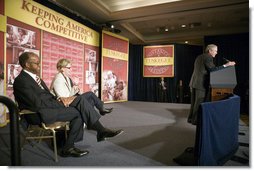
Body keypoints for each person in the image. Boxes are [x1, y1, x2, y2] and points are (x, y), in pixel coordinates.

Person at [13, 52, 123, 158]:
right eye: (36, 63)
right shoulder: (21, 81)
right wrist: (58, 102)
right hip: (37, 113)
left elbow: (46, 96)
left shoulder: (36, 78)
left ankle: (74, 145)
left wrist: (59, 100)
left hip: (49, 106)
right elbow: (36, 104)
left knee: (80, 103)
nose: (39, 65)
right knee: (80, 106)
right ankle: (96, 132)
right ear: (27, 65)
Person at [187, 44, 236, 125]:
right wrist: (227, 65)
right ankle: (195, 121)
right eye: (215, 51)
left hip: (194, 82)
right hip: (200, 84)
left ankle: (190, 119)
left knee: (194, 103)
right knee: (199, 102)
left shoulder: (200, 56)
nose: (216, 53)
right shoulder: (208, 57)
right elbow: (213, 70)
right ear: (210, 51)